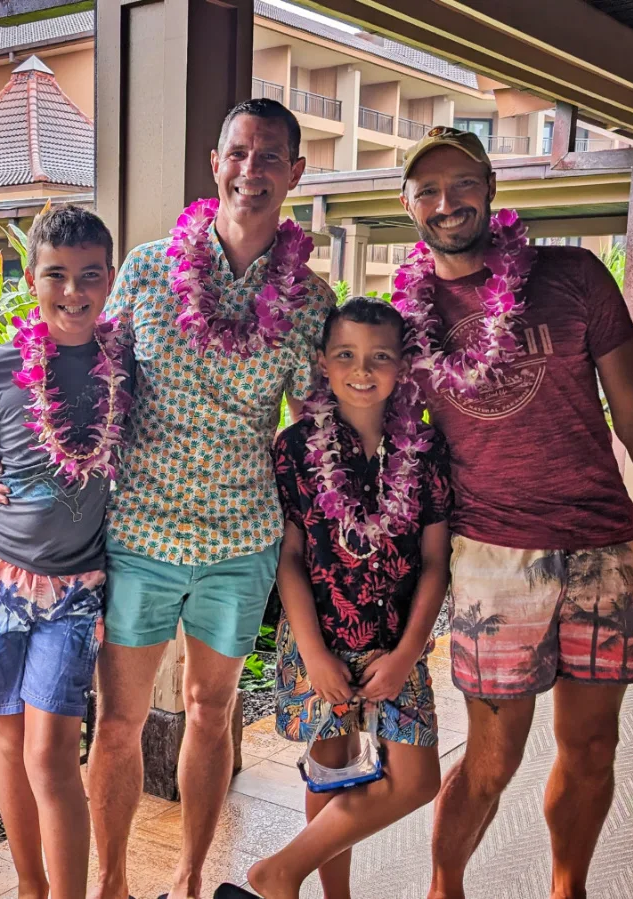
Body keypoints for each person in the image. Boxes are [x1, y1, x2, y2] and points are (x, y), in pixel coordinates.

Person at [0, 98, 337, 899]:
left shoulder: (311, 302)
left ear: (295, 172)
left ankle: (190, 876)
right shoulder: (143, 267)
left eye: (270, 156)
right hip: (137, 534)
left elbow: (318, 426)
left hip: (240, 540)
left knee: (213, 709)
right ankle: (109, 883)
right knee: (121, 720)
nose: (252, 170)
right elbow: (67, 356)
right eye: (238, 152)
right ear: (215, 162)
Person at [392, 127, 633, 899]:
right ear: (408, 205)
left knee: (592, 745)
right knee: (491, 758)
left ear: (490, 187)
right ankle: (445, 887)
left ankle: (566, 887)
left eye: (461, 182)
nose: (447, 203)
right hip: (492, 553)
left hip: (603, 549)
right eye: (427, 190)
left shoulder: (572, 276)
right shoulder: (400, 319)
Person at [215, 298, 451, 899]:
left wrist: (406, 654)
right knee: (331, 767)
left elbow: (434, 563)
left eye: (379, 357)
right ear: (322, 362)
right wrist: (315, 654)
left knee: (417, 779)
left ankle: (278, 871)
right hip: (318, 638)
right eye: (345, 355)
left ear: (403, 365)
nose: (362, 369)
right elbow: (289, 558)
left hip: (397, 641)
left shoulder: (425, 452)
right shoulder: (295, 448)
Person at [0, 205, 129, 899]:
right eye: (56, 275)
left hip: (75, 587)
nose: (73, 291)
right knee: (9, 740)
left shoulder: (125, 366)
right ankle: (27, 883)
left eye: (88, 276)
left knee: (52, 750)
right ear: (31, 279)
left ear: (109, 280)